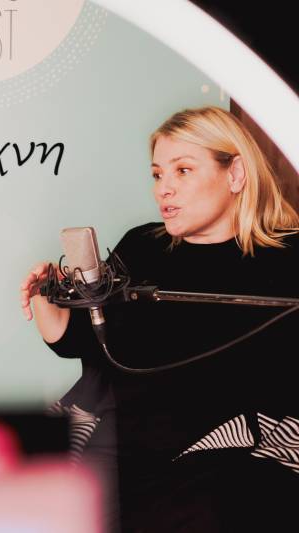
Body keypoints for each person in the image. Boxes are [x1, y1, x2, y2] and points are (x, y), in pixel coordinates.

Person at [20, 106, 299, 532]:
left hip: (228, 460)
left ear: (236, 174)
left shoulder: (289, 257)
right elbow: (78, 340)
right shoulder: (141, 246)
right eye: (157, 174)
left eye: (183, 171)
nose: (163, 189)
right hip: (124, 451)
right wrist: (46, 295)